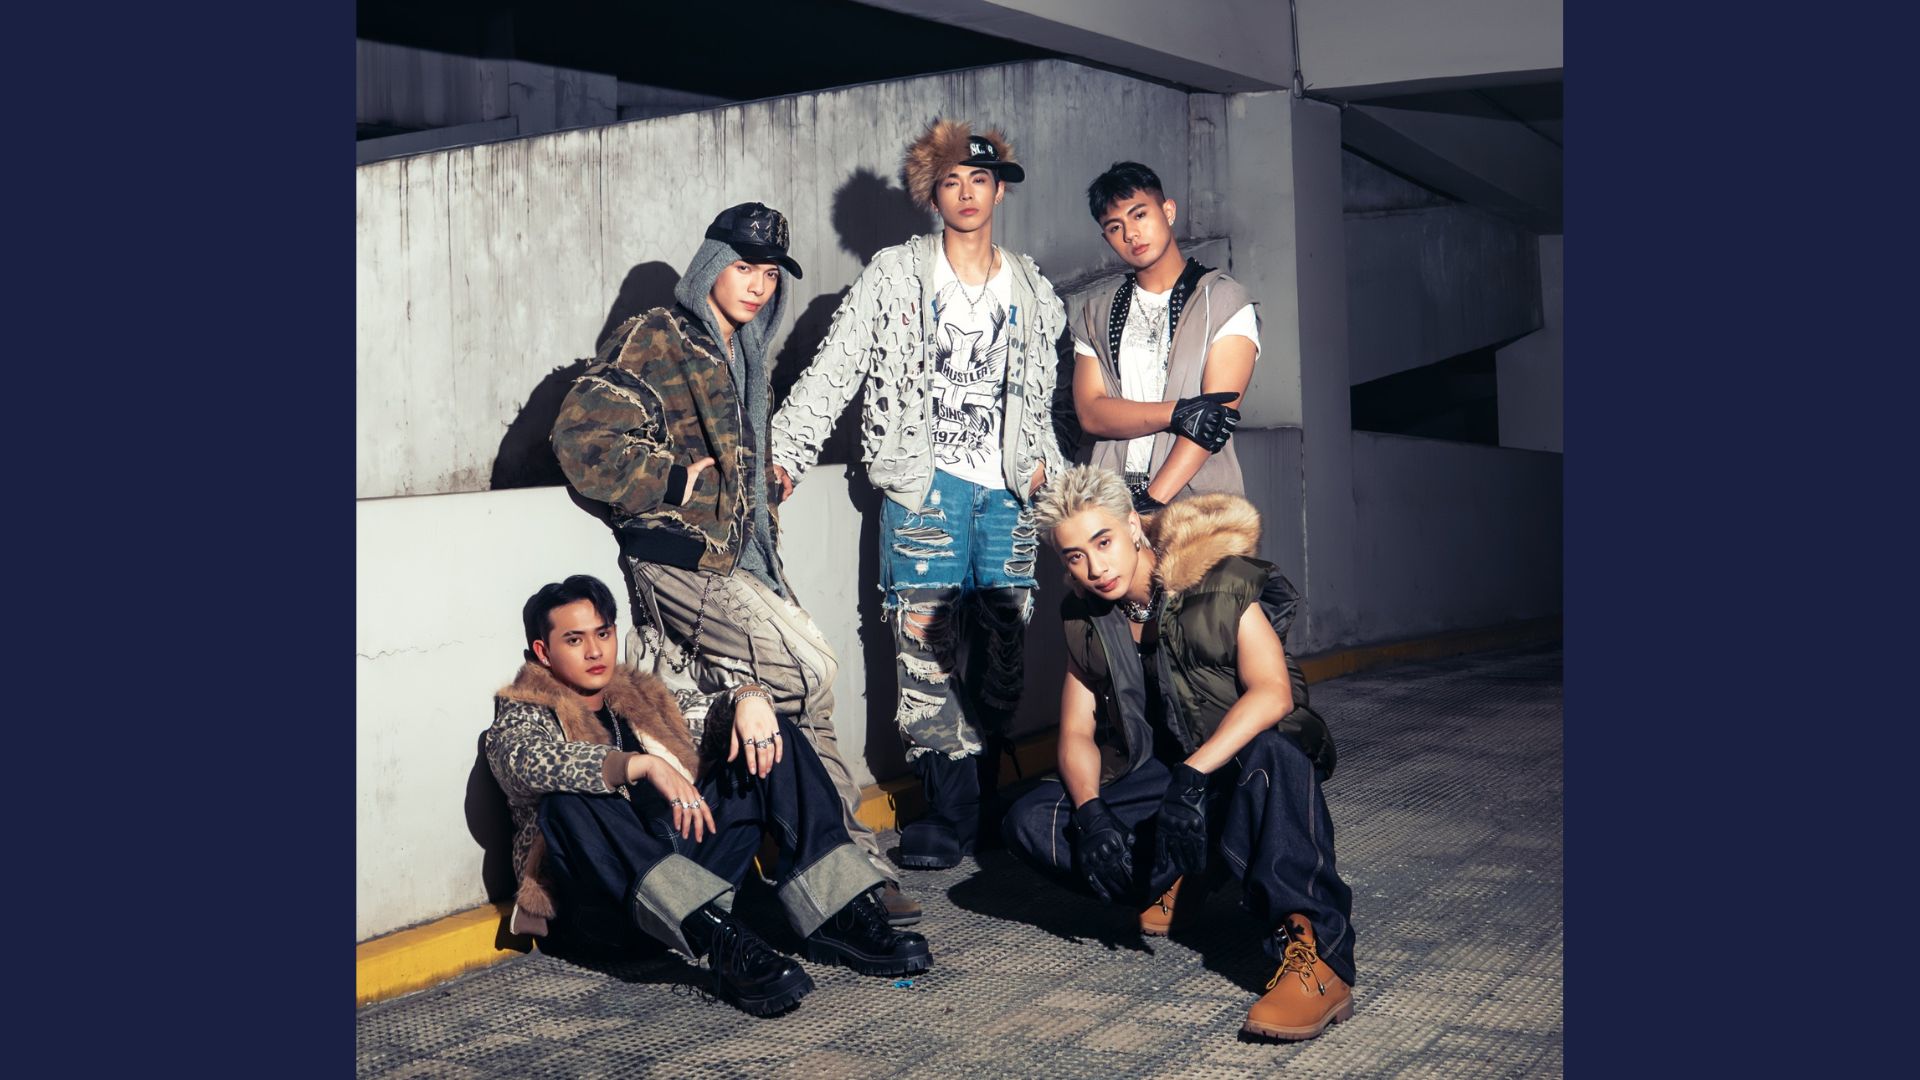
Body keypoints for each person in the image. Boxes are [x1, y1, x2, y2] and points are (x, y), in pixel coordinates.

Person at [550, 202, 920, 925]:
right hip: (680, 560)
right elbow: (580, 436)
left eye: (770, 274)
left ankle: (852, 876)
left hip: (745, 562)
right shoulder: (660, 336)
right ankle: (817, 868)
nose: (757, 285)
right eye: (744, 267)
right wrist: (669, 482)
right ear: (712, 266)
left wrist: (760, 487)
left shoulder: (745, 352)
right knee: (808, 673)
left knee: (812, 707)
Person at [769, 119, 1067, 870]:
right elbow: (835, 368)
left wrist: (1050, 474)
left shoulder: (1032, 288)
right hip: (924, 488)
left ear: (999, 191)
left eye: (979, 180)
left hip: (1009, 495)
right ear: (932, 196)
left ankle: (985, 793)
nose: (966, 194)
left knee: (1003, 649)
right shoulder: (896, 276)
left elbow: (1039, 398)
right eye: (951, 182)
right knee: (924, 651)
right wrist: (784, 455)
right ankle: (949, 810)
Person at [1001, 465, 1355, 1041]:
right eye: (1075, 557)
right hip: (1159, 776)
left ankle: (1318, 955)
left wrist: (1194, 773)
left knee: (1275, 755)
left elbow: (1273, 693)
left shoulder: (1215, 580)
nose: (1095, 568)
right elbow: (1075, 734)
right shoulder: (1087, 617)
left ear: (1132, 527)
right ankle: (1177, 874)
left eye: (1103, 542)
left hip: (1239, 760)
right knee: (1031, 818)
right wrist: (1091, 815)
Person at [485, 575, 931, 1016]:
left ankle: (839, 915)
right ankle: (723, 942)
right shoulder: (524, 711)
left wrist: (750, 699)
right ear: (543, 651)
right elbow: (523, 761)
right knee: (567, 803)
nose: (595, 650)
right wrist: (637, 764)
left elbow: (710, 713)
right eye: (574, 639)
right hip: (610, 911)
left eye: (603, 633)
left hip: (686, 864)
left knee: (773, 736)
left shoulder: (640, 696)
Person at [1069, 162, 1257, 514]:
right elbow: (1091, 414)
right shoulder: (1096, 314)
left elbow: (1212, 421)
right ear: (1106, 239)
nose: (1131, 234)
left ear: (1168, 211)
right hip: (1111, 499)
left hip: (1196, 507)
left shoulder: (1223, 301)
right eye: (1115, 227)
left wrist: (1150, 502)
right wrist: (1177, 412)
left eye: (1139, 215)